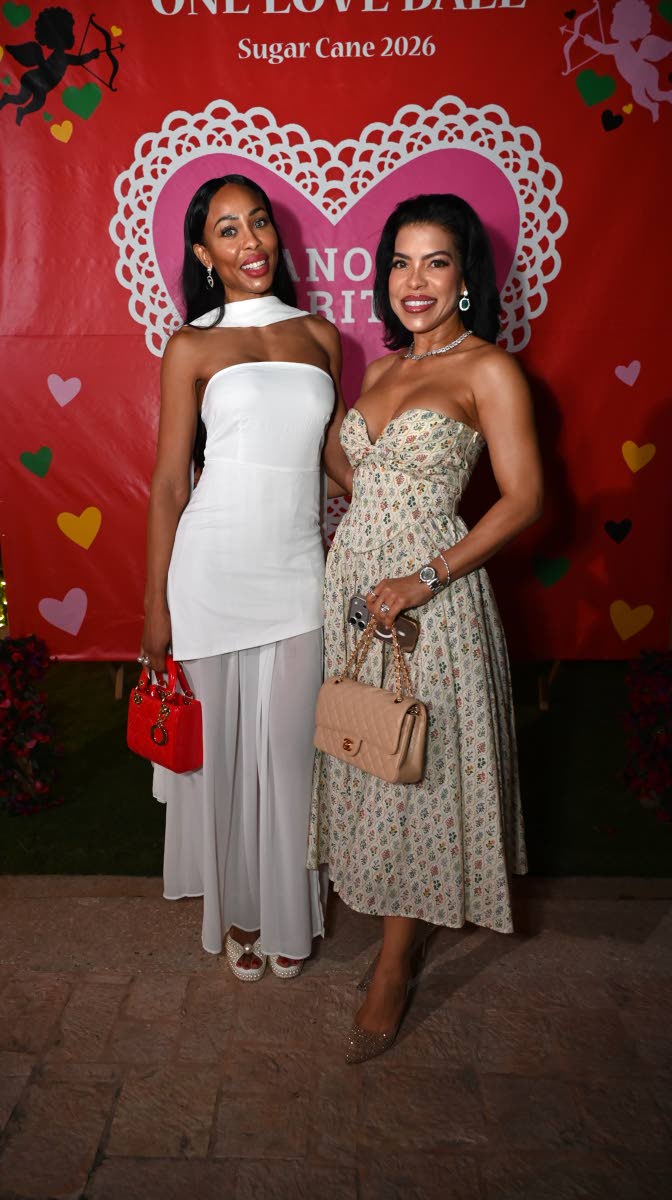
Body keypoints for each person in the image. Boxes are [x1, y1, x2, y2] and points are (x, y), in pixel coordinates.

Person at [308, 193, 542, 1061]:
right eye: (401, 263)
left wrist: (423, 576)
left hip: (430, 606)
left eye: (435, 262)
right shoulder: (380, 371)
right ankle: (380, 910)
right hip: (356, 595)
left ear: (464, 276)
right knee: (364, 746)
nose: (415, 281)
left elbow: (525, 498)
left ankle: (395, 963)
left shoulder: (489, 371)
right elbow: (357, 473)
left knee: (415, 771)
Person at [141, 174, 348, 981]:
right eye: (227, 230)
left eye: (257, 222)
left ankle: (290, 914)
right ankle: (240, 915)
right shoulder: (189, 346)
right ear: (204, 252)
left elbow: (333, 457)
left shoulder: (321, 335)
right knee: (221, 760)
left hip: (297, 572)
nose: (249, 241)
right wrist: (153, 607)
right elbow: (170, 482)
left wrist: (405, 498)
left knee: (293, 757)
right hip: (211, 572)